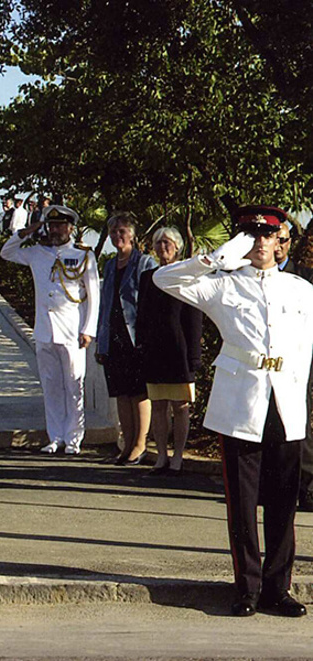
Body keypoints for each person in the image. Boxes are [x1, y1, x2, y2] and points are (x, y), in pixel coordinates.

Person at [154, 205, 313, 618]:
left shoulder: (300, 290)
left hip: (286, 405)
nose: (259, 242)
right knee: (242, 504)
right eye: (250, 235)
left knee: (283, 503)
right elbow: (163, 277)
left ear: (281, 243)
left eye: (266, 236)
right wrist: (214, 258)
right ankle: (248, 588)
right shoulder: (222, 286)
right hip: (241, 403)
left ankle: (279, 589)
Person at [0, 205, 100, 455]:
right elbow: (6, 252)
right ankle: (55, 437)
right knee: (51, 386)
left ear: (70, 228)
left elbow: (94, 295)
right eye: (51, 225)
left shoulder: (83, 256)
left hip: (72, 331)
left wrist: (88, 329)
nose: (55, 230)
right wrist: (28, 230)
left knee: (74, 386)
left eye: (60, 226)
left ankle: (74, 440)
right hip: (45, 330)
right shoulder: (36, 253)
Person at [136, 227, 203, 476]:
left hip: (180, 351)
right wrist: (140, 345)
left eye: (167, 243)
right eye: (158, 243)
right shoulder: (147, 277)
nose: (163, 247)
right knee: (158, 406)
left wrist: (194, 356)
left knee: (181, 406)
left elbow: (194, 319)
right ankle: (161, 456)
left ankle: (178, 457)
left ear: (177, 246)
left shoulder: (186, 277)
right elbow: (141, 315)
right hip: (154, 351)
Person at [95, 212, 156, 465]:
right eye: (113, 232)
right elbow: (104, 304)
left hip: (136, 337)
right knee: (121, 393)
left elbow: (151, 301)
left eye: (122, 231)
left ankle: (140, 444)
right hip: (114, 336)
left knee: (139, 393)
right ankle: (127, 442)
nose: (117, 237)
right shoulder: (110, 265)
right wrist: (101, 340)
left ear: (132, 234)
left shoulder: (144, 262)